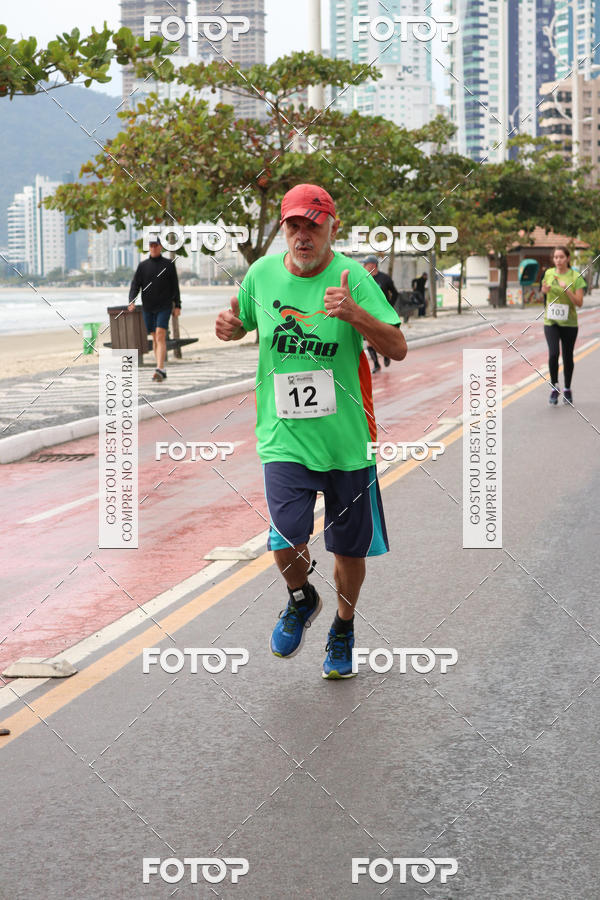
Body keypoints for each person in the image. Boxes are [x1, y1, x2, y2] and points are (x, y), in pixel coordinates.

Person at [215, 184, 407, 679]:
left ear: (331, 228)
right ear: (283, 229)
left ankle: (343, 626)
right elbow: (240, 320)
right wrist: (232, 328)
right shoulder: (260, 274)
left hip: (346, 442)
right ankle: (301, 599)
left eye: (312, 226)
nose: (303, 236)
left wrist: (355, 314)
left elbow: (399, 346)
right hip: (284, 437)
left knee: (348, 550)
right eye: (293, 226)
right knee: (284, 538)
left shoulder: (355, 278)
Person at [128, 239, 181, 382]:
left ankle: (159, 367)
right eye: (151, 246)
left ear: (160, 247)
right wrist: (132, 300)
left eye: (155, 245)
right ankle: (161, 370)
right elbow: (135, 285)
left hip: (164, 306)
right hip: (148, 307)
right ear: (149, 248)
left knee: (160, 335)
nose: (153, 248)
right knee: (155, 337)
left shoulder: (168, 265)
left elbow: (175, 286)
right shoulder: (143, 266)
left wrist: (177, 305)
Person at [541, 245, 585, 406]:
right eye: (555, 257)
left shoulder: (576, 276)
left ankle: (567, 388)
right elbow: (544, 291)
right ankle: (555, 387)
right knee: (553, 354)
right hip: (551, 321)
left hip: (569, 323)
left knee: (567, 356)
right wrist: (544, 291)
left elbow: (579, 303)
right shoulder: (549, 273)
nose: (558, 260)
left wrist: (566, 289)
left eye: (561, 257)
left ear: (567, 258)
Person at [362, 255, 398, 372]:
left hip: (382, 315)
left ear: (373, 265)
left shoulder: (385, 278)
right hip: (368, 314)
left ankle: (386, 355)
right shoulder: (363, 278)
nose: (363, 266)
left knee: (380, 339)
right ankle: (376, 365)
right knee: (369, 342)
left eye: (365, 264)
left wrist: (389, 307)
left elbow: (395, 293)